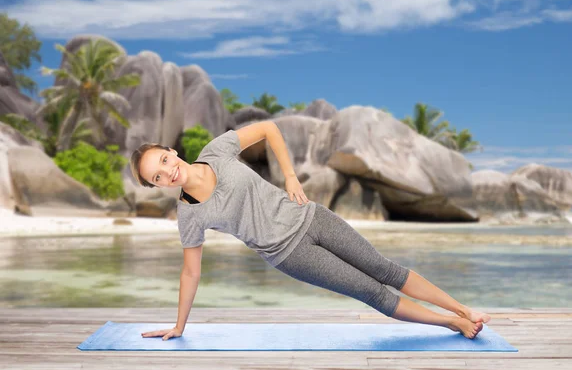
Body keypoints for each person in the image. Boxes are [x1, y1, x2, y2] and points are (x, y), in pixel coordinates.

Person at [129, 121, 490, 342]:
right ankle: (451, 324)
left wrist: (289, 176)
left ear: (171, 151)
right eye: (156, 177)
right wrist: (179, 326)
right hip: (290, 254)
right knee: (372, 293)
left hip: (313, 216)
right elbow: (191, 272)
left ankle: (464, 310)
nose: (167, 172)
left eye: (163, 161)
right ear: (157, 186)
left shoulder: (217, 151)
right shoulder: (188, 214)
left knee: (385, 270)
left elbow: (268, 129)